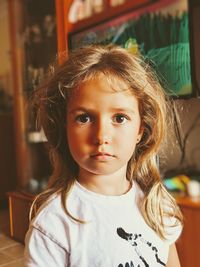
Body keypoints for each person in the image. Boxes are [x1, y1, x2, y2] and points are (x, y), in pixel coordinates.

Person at [24, 44, 183, 267]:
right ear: (65, 127)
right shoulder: (53, 224)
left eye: (119, 118)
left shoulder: (156, 205)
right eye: (84, 118)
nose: (101, 136)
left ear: (140, 130)